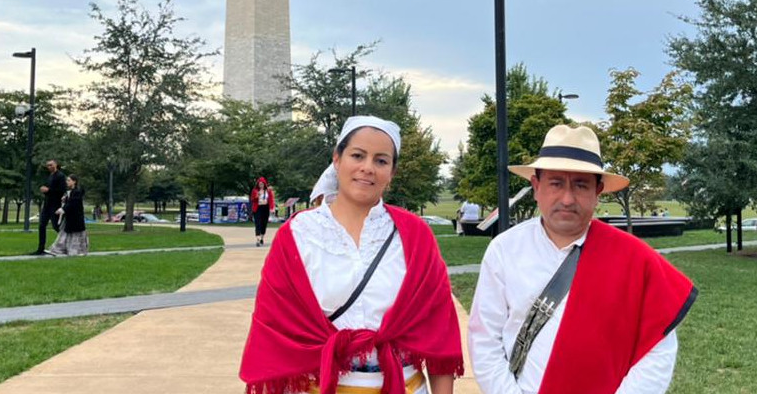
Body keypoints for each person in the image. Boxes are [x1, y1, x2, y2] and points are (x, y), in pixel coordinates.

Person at [240, 115, 463, 394]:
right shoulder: (297, 235)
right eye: (358, 155)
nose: (367, 168)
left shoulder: (415, 235)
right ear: (337, 159)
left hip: (404, 385)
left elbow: (439, 332)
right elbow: (273, 332)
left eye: (381, 160)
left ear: (392, 172)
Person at [469, 124, 696, 394]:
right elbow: (485, 341)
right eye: (556, 183)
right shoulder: (504, 250)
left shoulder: (636, 260)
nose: (567, 198)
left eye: (580, 185)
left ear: (597, 191)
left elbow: (657, 351)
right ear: (536, 185)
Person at [48, 175, 90, 256]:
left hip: (75, 218)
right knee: (64, 233)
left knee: (75, 234)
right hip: (70, 218)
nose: (67, 182)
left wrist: (62, 209)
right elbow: (69, 202)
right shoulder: (71, 192)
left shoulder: (76, 192)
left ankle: (75, 250)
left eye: (69, 180)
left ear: (74, 181)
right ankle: (58, 249)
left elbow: (73, 203)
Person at [33, 159, 66, 255]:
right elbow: (48, 188)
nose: (49, 167)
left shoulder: (60, 176)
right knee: (42, 225)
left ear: (56, 164)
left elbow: (61, 190)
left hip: (55, 205)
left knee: (56, 226)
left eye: (51, 165)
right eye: (48, 165)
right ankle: (40, 248)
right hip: (47, 205)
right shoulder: (50, 176)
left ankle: (67, 244)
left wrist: (48, 190)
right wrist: (44, 189)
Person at [251, 176, 277, 247]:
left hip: (265, 208)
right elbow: (252, 199)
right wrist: (257, 195)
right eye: (260, 184)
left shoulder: (268, 191)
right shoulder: (255, 190)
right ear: (258, 184)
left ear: (264, 184)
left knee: (264, 224)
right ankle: (258, 240)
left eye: (262, 184)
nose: (261, 185)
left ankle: (262, 237)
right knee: (258, 224)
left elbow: (271, 200)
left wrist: (272, 208)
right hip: (257, 208)